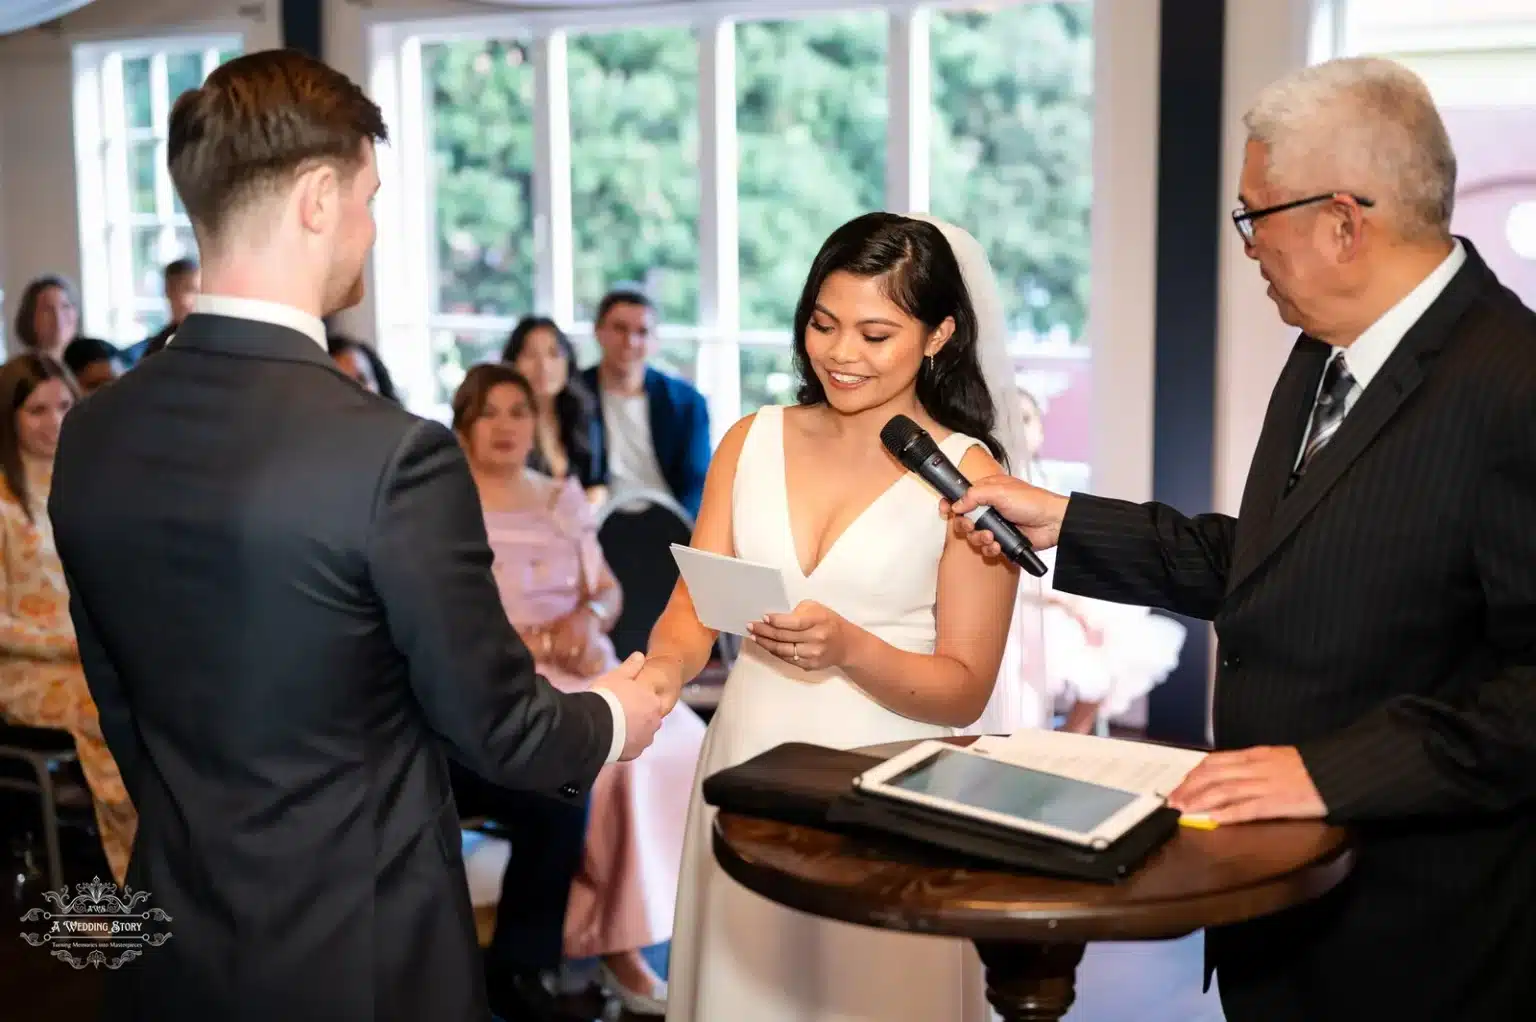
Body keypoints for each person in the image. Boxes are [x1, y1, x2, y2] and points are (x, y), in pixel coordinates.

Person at [46, 49, 664, 1022]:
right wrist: (620, 710)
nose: (373, 228)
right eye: (372, 197)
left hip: (178, 923)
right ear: (319, 198)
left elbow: (120, 698)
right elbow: (500, 725)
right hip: (362, 947)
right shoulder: (392, 454)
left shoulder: (94, 430)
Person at [946, 56, 1536, 1022]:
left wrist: (1326, 771)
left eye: (1256, 216)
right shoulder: (1318, 355)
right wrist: (1065, 521)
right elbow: (1272, 564)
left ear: (1346, 221)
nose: (1249, 246)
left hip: (1423, 938)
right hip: (1277, 914)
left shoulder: (1516, 386)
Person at [641, 212, 1042, 1022]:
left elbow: (965, 690)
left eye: (875, 333)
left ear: (938, 336)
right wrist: (652, 681)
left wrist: (850, 647)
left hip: (890, 783)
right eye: (823, 324)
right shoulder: (750, 440)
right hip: (749, 763)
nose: (841, 354)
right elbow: (693, 607)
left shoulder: (968, 474)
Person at [453, 365, 704, 1017]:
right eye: (490, 413)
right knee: (605, 766)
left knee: (681, 738)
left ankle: (655, 935)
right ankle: (610, 945)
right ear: (463, 424)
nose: (507, 426)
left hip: (583, 660)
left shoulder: (560, 496)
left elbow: (608, 589)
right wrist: (535, 642)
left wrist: (586, 619)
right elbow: (448, 618)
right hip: (504, 678)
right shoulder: (446, 503)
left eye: (519, 411)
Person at [0, 355, 136, 883]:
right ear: (8, 416)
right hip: (23, 671)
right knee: (108, 706)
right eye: (37, 410)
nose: (55, 421)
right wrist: (70, 642)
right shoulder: (4, 502)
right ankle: (132, 879)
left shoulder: (93, 484)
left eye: (64, 406)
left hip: (95, 655)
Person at [579, 290, 710, 517]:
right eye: (619, 329)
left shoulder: (686, 402)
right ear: (598, 332)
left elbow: (697, 482)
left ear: (655, 341)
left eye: (642, 332)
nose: (630, 341)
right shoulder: (576, 395)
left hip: (670, 521)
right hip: (596, 522)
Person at [502, 316, 606, 502]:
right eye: (530, 354)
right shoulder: (501, 424)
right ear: (513, 362)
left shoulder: (582, 413)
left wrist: (589, 508)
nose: (543, 366)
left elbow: (596, 483)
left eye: (554, 354)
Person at [11, 275, 80, 363]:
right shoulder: (15, 372)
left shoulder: (92, 366)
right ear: (30, 318)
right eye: (47, 309)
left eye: (65, 306)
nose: (57, 316)